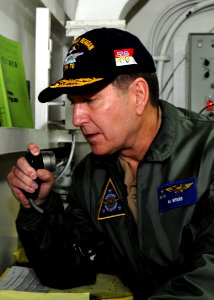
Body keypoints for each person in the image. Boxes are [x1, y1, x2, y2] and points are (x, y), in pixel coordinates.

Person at [7, 27, 214, 299]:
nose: (78, 118)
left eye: (90, 100)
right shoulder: (91, 174)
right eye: (73, 103)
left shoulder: (207, 151)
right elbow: (66, 268)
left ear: (138, 95)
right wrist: (39, 208)